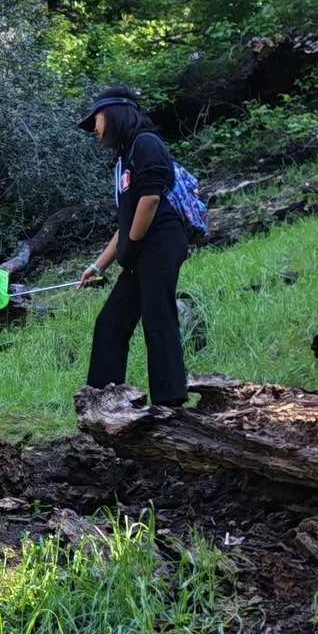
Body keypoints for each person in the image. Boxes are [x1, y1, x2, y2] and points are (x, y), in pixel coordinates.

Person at [77, 88, 192, 408]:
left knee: (159, 318)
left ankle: (170, 404)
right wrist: (99, 265)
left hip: (161, 242)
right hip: (142, 248)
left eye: (96, 120)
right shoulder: (124, 159)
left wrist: (133, 245)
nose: (95, 129)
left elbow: (151, 199)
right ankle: (101, 404)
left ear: (114, 114)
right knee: (111, 322)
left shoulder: (146, 144)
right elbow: (125, 225)